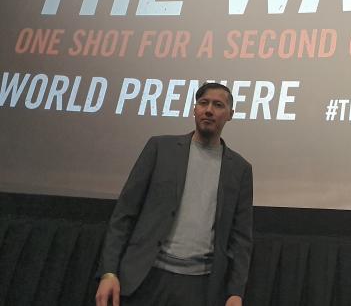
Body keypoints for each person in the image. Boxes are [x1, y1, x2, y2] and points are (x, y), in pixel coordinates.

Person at [95, 82, 253, 306]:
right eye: (203, 103)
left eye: (218, 105)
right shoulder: (160, 148)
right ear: (194, 109)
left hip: (200, 287)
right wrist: (109, 272)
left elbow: (241, 239)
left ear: (230, 115)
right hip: (144, 277)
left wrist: (235, 292)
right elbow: (124, 214)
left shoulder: (240, 169)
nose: (209, 110)